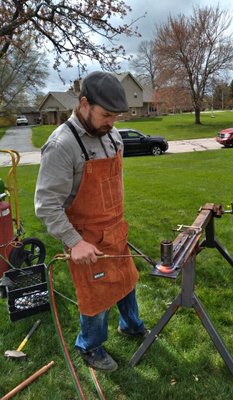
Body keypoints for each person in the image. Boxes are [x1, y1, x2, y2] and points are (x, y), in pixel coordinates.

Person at [34, 71, 148, 372]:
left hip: (115, 229)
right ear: (84, 104)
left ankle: (131, 325)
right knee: (96, 299)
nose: (112, 122)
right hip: (86, 240)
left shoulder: (112, 136)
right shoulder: (62, 145)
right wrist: (74, 242)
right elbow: (46, 205)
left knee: (126, 280)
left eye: (116, 116)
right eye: (106, 115)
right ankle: (90, 347)